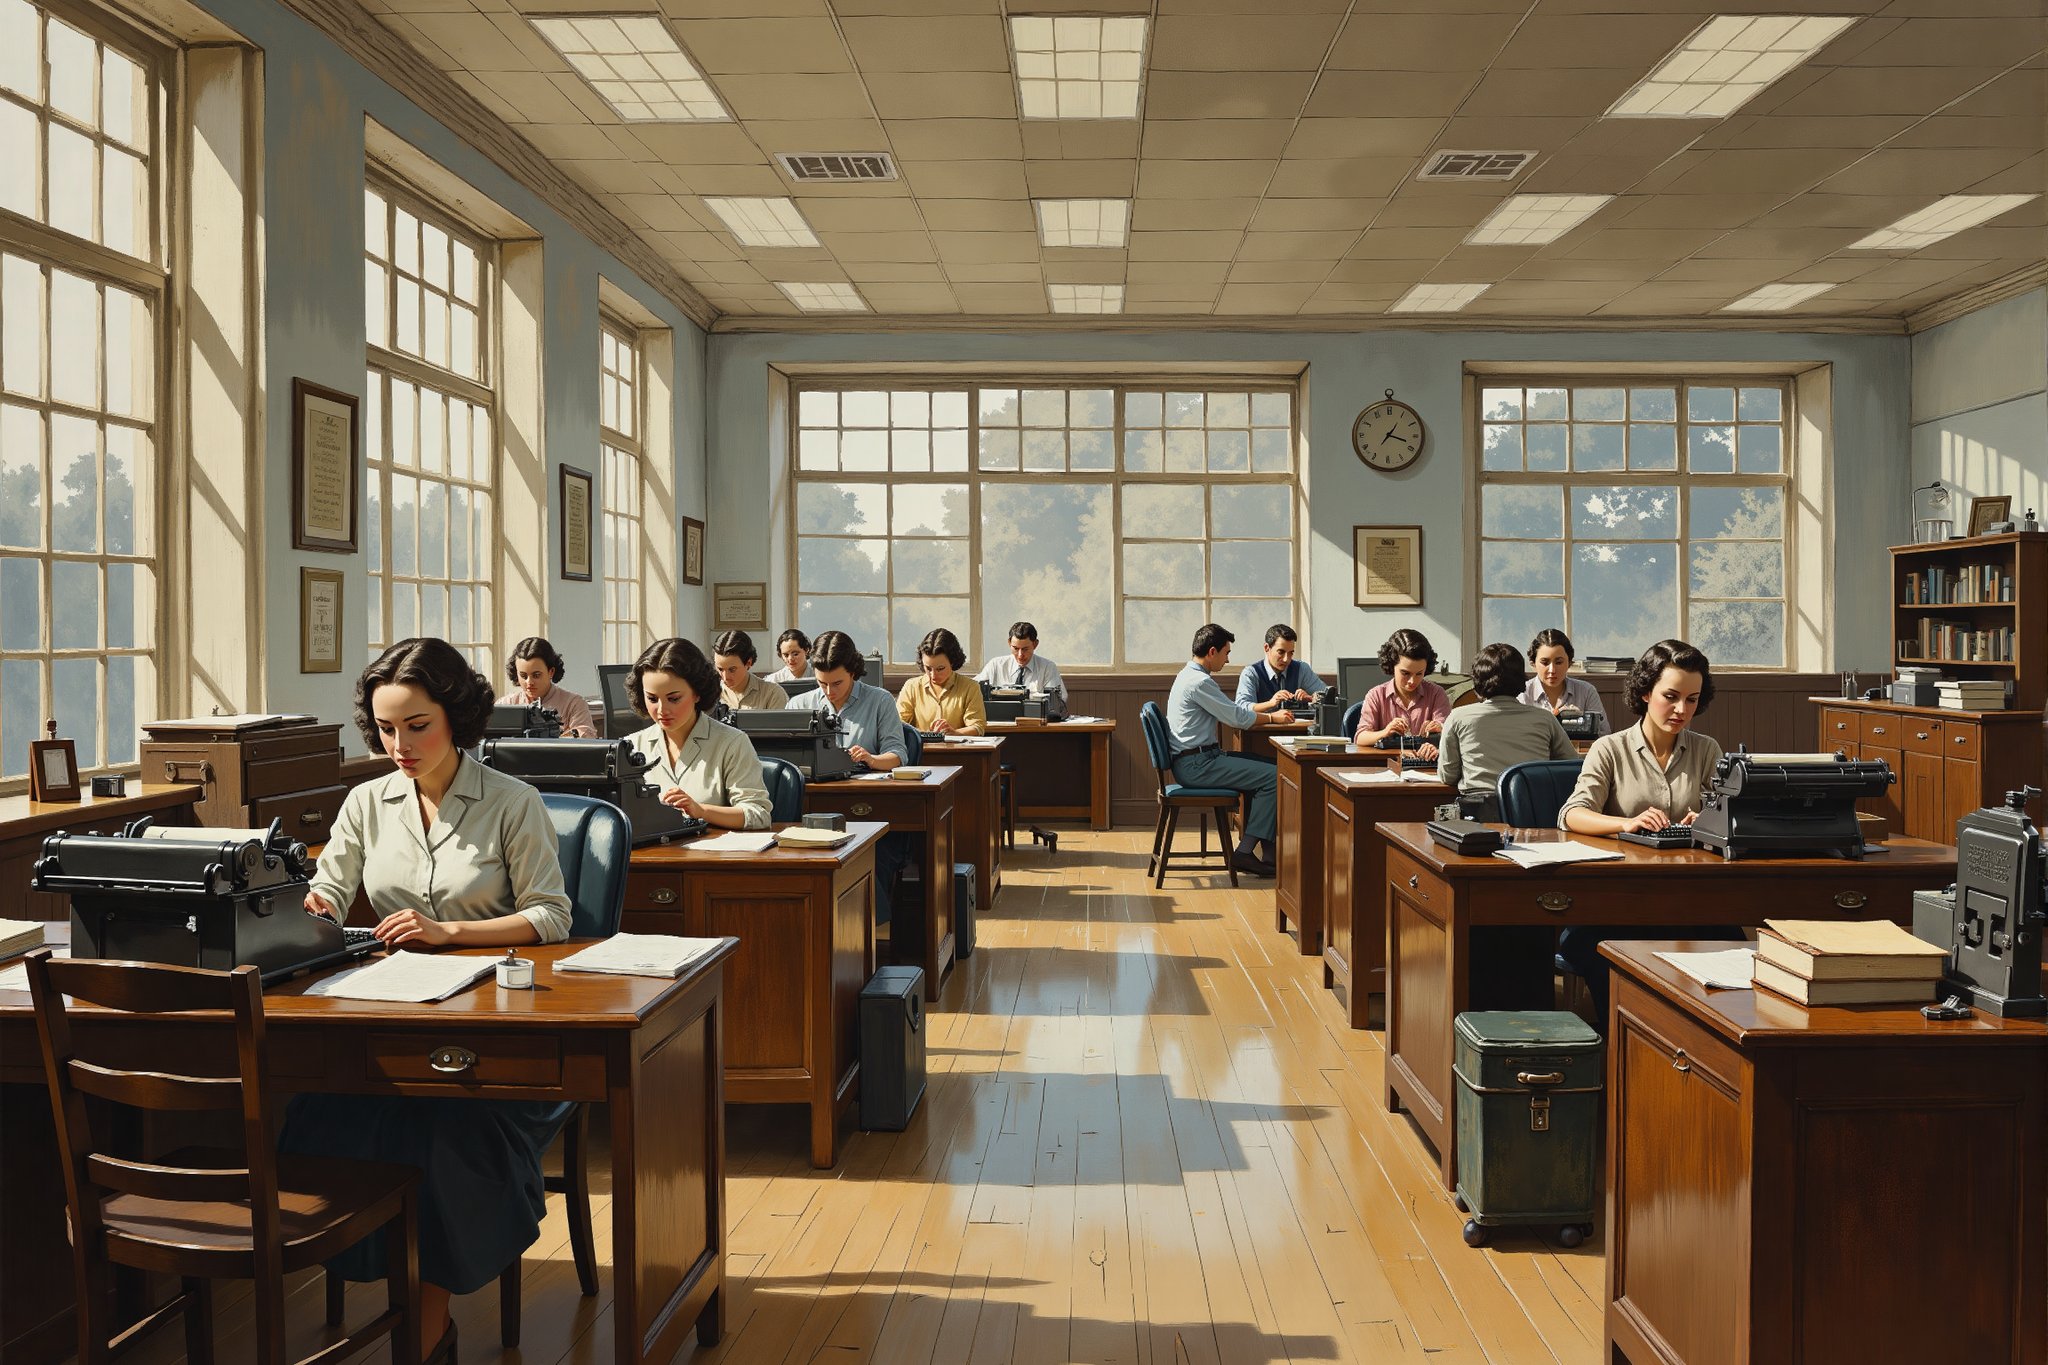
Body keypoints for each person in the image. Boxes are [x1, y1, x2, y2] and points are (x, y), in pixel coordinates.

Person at [284, 637, 575, 1362]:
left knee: (439, 1134)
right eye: (386, 728)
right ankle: (393, 1296)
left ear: (457, 715)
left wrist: (451, 932)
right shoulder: (365, 802)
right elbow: (330, 891)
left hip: (501, 1038)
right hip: (389, 1021)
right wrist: (313, 905)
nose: (400, 744)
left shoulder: (514, 802)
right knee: (321, 1113)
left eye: (417, 724)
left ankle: (423, 1328)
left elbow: (551, 915)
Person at [1557, 639, 1729, 1020]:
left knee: (1732, 949)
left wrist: (1708, 822)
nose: (1682, 709)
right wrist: (1626, 823)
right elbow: (1572, 814)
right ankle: (1622, 1049)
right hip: (1619, 899)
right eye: (1671, 696)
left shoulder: (1707, 750)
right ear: (1645, 691)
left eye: (1692, 699)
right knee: (1604, 952)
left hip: (1690, 900)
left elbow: (1730, 815)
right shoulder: (1609, 749)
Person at [789, 631, 912, 920]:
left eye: (837, 683)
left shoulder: (880, 700)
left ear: (854, 672)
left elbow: (899, 754)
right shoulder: (799, 704)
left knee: (868, 854)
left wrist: (871, 759)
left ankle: (863, 930)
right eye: (822, 683)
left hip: (870, 808)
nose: (829, 692)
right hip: (815, 808)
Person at [1166, 623, 1292, 878]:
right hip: (1197, 765)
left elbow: (1234, 712)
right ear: (1212, 652)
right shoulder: (1199, 682)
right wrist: (1273, 719)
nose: (1228, 658)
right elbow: (1236, 717)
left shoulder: (1188, 675)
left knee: (1265, 765)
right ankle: (1245, 852)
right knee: (1273, 775)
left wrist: (1265, 711)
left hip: (1198, 760)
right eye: (1226, 653)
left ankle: (1268, 856)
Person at [624, 637, 771, 831]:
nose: (661, 710)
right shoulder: (630, 746)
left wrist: (701, 811)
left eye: (674, 699)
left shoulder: (732, 743)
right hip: (648, 857)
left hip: (710, 858)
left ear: (697, 693)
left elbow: (758, 814)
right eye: (652, 698)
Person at [1438, 643, 1577, 820]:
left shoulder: (1457, 717)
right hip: (1535, 813)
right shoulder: (1545, 719)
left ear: (1477, 681)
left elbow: (1447, 776)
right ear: (1521, 680)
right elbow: (1571, 766)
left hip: (1480, 816)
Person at [1353, 628, 1450, 760]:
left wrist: (1440, 729)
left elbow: (1450, 736)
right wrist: (1385, 732)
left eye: (1419, 674)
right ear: (1392, 665)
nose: (1412, 681)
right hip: (1386, 767)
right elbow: (1360, 737)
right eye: (1405, 673)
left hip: (1427, 770)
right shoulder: (1376, 695)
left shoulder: (1437, 694)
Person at [499, 636, 597, 737]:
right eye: (523, 676)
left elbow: (586, 739)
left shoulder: (574, 704)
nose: (529, 682)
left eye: (536, 675)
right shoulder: (505, 705)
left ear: (551, 672)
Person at [1520, 628, 1610, 736]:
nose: (1552, 670)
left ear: (1569, 663)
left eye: (1558, 662)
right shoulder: (1522, 693)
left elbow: (1604, 734)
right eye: (1545, 663)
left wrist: (1582, 722)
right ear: (1533, 664)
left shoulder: (1586, 692)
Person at [898, 627, 987, 735]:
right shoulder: (911, 686)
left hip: (957, 750)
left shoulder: (970, 687)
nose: (933, 675)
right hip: (921, 750)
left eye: (940, 669)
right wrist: (925, 735)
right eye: (928, 668)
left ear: (953, 662)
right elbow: (897, 724)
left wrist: (955, 733)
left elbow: (977, 727)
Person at [975, 620, 1067, 711]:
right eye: (1015, 648)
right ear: (1009, 643)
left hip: (1035, 722)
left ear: (1035, 644)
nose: (1020, 655)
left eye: (1025, 649)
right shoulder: (995, 665)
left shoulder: (1048, 668)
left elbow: (1057, 703)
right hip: (1000, 720)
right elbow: (972, 688)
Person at [1234, 623, 1325, 712]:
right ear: (1266, 648)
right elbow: (1242, 708)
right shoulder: (1251, 673)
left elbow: (1328, 697)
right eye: (1281, 652)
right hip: (1263, 727)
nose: (1286, 659)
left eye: (1291, 653)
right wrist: (1271, 703)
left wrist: (1310, 698)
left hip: (1297, 727)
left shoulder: (1302, 669)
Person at [711, 629, 790, 712]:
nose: (725, 677)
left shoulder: (772, 694)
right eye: (720, 669)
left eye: (732, 670)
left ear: (748, 663)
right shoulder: (710, 695)